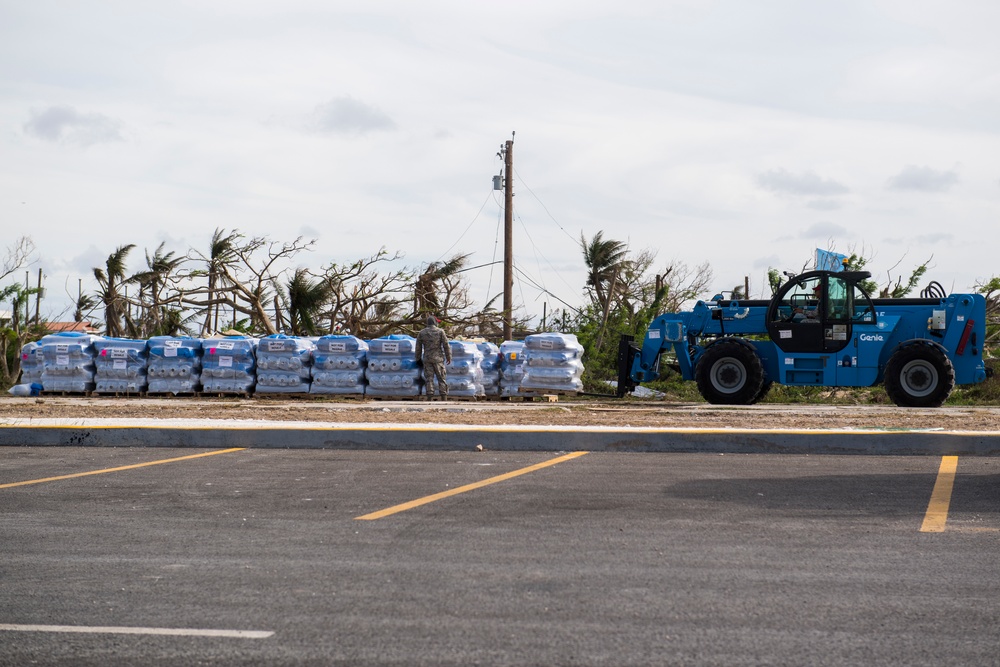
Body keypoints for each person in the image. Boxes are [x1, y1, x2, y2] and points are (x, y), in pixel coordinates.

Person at [415, 315, 452, 400]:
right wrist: (448, 356)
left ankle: (429, 396)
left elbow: (418, 347)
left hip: (427, 358)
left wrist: (417, 358)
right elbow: (446, 345)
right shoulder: (440, 332)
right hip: (438, 358)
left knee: (429, 378)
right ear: (435, 322)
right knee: (441, 378)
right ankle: (444, 397)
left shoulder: (422, 333)